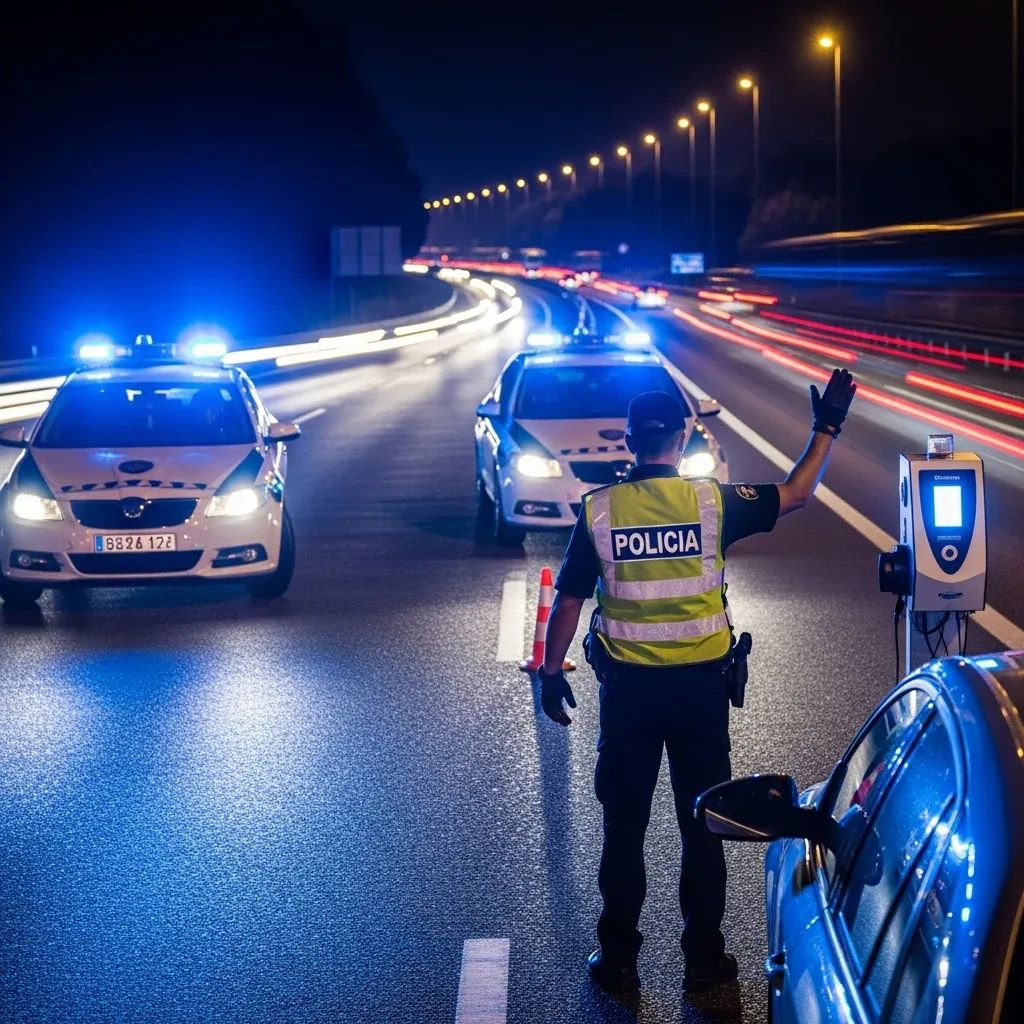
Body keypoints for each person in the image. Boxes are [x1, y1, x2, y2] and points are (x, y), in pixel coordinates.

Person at [537, 369, 857, 997]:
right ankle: (704, 961)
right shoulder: (712, 504)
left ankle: (619, 960)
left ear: (629, 442)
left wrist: (551, 674)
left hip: (629, 697)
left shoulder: (599, 511)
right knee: (702, 826)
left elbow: (569, 602)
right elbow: (795, 493)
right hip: (701, 696)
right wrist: (827, 428)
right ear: (682, 442)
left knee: (623, 830)